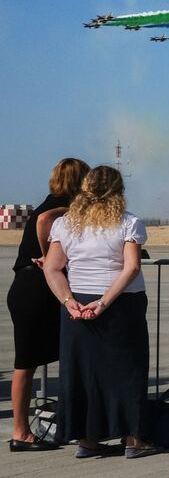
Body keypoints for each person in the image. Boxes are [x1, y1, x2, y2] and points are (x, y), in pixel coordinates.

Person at [39, 166, 158, 458]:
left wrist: (68, 301)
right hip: (120, 304)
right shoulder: (128, 223)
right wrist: (104, 302)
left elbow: (52, 268)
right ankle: (133, 439)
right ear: (119, 192)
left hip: (78, 304)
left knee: (82, 373)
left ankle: (86, 439)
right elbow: (131, 267)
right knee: (128, 370)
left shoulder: (66, 224)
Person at [8, 157, 89, 450]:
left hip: (26, 287)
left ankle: (33, 428)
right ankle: (21, 433)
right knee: (27, 363)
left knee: (29, 362)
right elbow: (44, 221)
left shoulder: (48, 202)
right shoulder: (61, 207)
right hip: (35, 288)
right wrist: (47, 257)